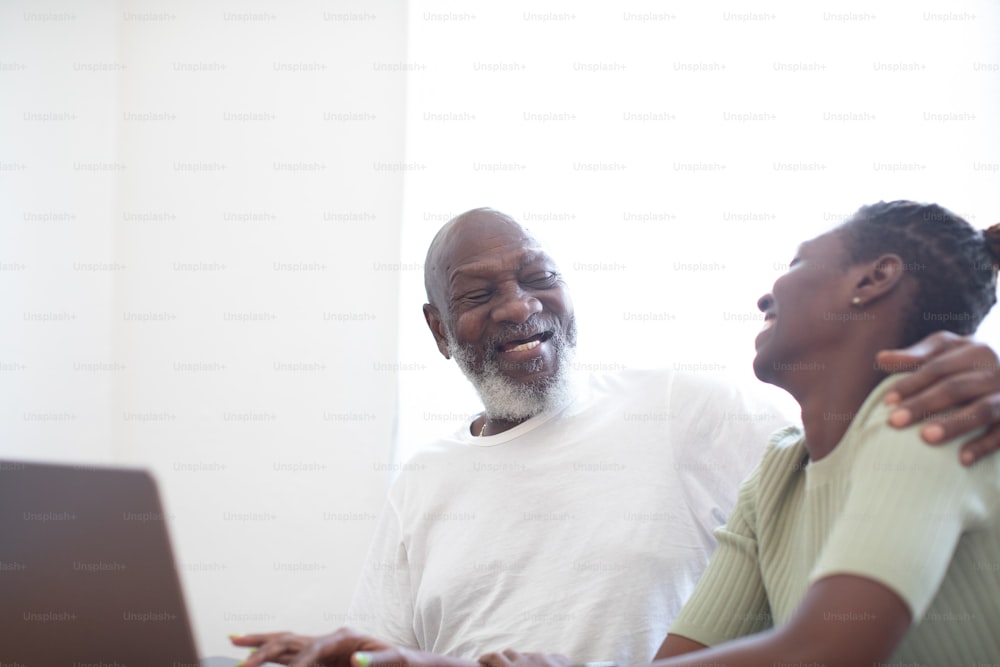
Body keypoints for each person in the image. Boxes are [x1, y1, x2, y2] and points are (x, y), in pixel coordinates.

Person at [232, 207, 1000, 667]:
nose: (515, 306)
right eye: (478, 293)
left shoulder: (915, 418)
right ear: (438, 330)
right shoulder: (776, 473)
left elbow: (827, 648)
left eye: (536, 277)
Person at [479, 200, 1000, 667]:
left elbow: (826, 650)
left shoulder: (929, 420)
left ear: (872, 280)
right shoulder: (778, 473)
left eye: (797, 263)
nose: (764, 297)